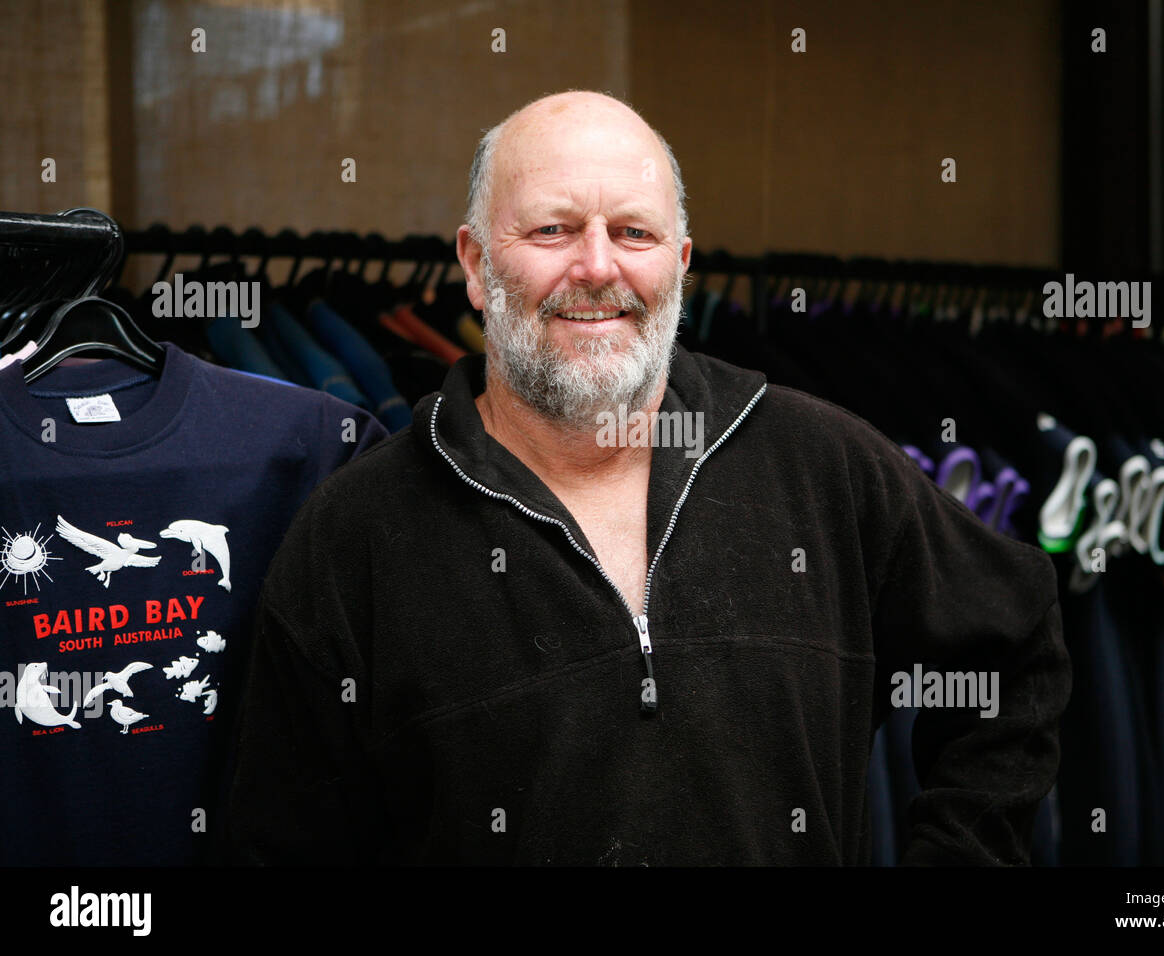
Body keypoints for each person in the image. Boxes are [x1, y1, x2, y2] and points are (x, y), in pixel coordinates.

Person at [225, 90, 1071, 865]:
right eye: (553, 230)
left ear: (680, 263)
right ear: (477, 266)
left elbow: (1015, 635)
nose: (598, 268)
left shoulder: (821, 465)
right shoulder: (356, 539)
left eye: (634, 233)